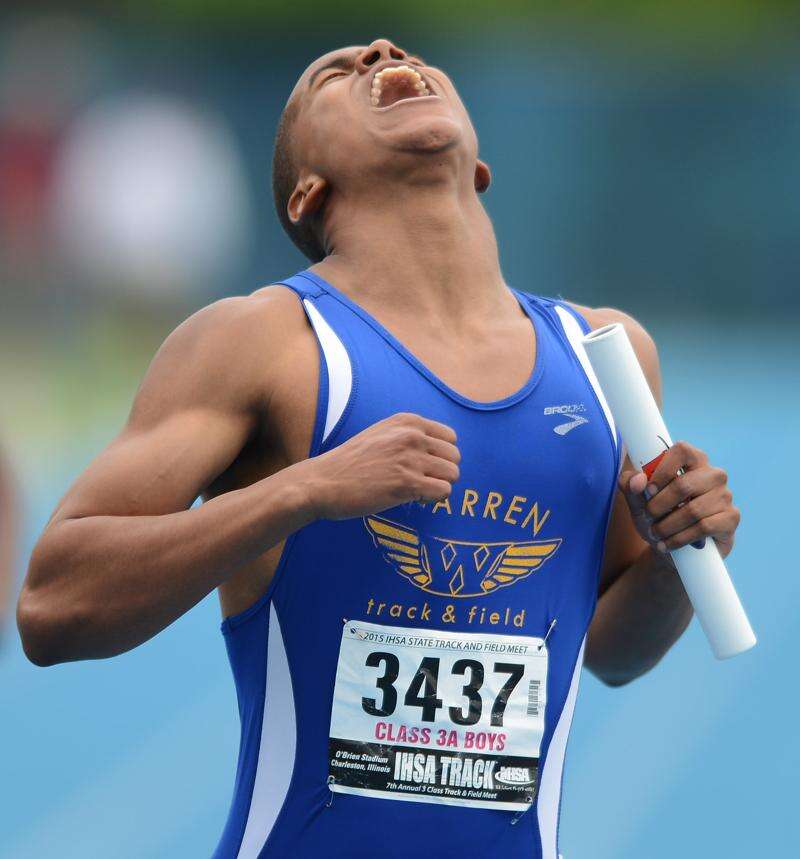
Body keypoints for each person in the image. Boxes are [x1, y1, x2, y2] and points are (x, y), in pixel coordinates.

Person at [17, 40, 740, 859]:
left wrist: (679, 556)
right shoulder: (263, 344)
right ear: (307, 190)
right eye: (332, 74)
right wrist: (304, 490)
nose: (380, 51)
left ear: (479, 167)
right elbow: (52, 607)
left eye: (399, 53)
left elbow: (612, 650)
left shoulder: (607, 355)